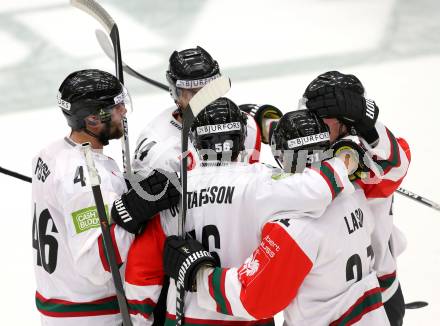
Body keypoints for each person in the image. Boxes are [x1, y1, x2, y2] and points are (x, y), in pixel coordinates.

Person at [123, 97, 359, 325]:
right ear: (241, 138)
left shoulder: (174, 190)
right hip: (250, 318)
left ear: (195, 140)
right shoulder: (261, 182)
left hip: (189, 318)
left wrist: (137, 319)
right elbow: (317, 190)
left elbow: (141, 269)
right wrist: (341, 160)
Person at [164, 109, 391, 325]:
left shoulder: (296, 227)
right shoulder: (355, 194)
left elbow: (254, 298)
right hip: (375, 317)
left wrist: (199, 275)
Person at [129, 46, 281, 324]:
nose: (204, 101)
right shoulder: (158, 147)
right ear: (176, 94)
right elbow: (149, 231)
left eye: (209, 90)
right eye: (193, 94)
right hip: (183, 270)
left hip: (240, 266)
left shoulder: (244, 126)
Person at [32, 69, 179, 326]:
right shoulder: (86, 177)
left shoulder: (50, 154)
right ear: (91, 119)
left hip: (62, 303)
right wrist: (131, 214)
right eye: (116, 107)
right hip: (90, 314)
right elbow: (94, 264)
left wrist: (123, 194)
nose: (123, 112)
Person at [303, 71, 411, 326]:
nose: (312, 123)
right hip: (326, 304)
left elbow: (397, 164)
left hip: (375, 300)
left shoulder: (366, 160)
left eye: (321, 117)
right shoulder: (317, 145)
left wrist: (366, 122)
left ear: (345, 121)